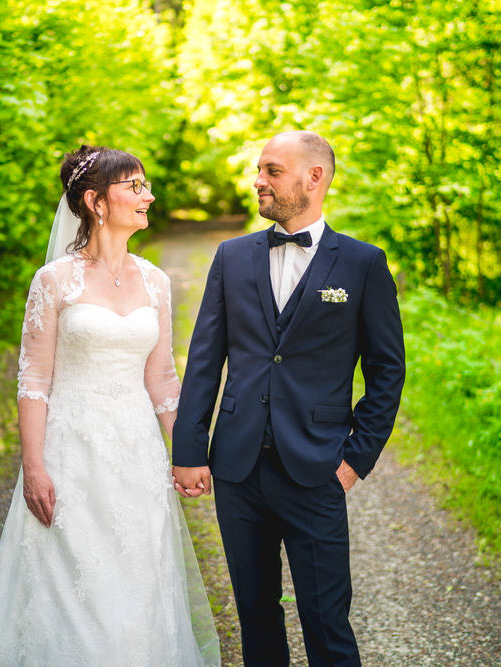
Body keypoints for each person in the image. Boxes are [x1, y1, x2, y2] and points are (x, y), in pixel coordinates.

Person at [0, 145, 220, 666]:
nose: (149, 195)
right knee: (68, 585)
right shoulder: (54, 280)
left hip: (137, 457)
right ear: (96, 201)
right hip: (70, 454)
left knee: (138, 583)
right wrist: (34, 467)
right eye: (135, 186)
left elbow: (163, 378)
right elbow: (33, 379)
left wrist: (188, 452)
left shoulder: (155, 281)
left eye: (146, 185)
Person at [172, 131, 406, 666]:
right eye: (260, 170)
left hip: (318, 467)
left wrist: (354, 461)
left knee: (326, 618)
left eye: (272, 171)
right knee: (255, 618)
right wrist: (189, 447)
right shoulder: (232, 257)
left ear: (314, 178)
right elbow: (205, 358)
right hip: (238, 467)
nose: (259, 181)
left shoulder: (362, 264)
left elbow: (387, 370)